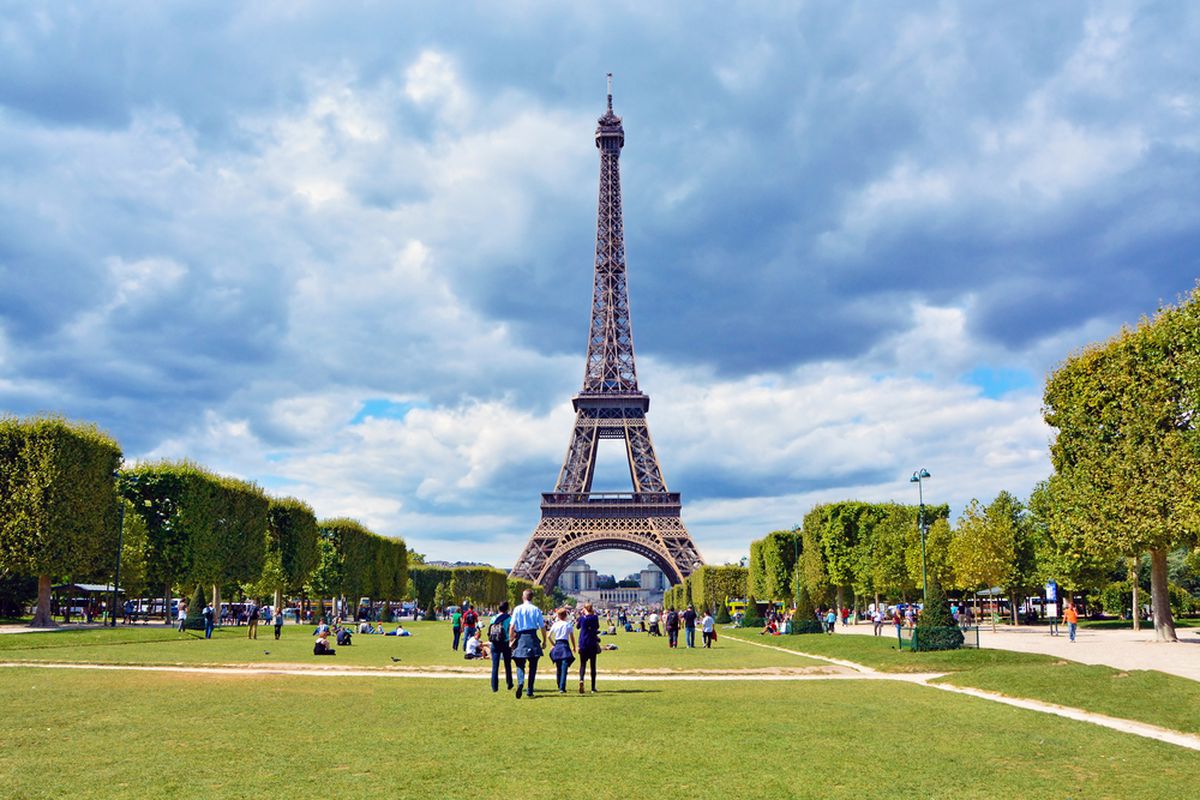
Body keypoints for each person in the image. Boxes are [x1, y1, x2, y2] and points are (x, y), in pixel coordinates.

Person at [510, 589, 547, 699]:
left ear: (523, 597)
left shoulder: (517, 609)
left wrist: (511, 640)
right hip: (532, 637)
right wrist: (544, 640)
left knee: (519, 664)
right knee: (533, 666)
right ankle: (530, 690)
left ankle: (521, 682)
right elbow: (542, 627)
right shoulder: (536, 610)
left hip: (521, 637)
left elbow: (512, 627)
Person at [549, 608, 576, 694]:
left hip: (557, 645)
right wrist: (574, 646)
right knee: (564, 668)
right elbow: (571, 637)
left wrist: (553, 645)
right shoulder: (568, 625)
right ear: (566, 615)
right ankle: (562, 687)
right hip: (565, 645)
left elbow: (549, 636)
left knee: (558, 667)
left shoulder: (555, 624)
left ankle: (558, 684)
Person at [488, 601, 513, 693]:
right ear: (507, 609)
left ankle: (494, 686)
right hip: (505, 642)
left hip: (495, 642)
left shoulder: (493, 618)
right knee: (507, 664)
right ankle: (509, 683)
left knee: (495, 666)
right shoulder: (509, 618)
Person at [576, 602, 600, 694]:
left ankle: (581, 679)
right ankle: (593, 687)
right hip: (592, 643)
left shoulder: (582, 618)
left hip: (583, 643)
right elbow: (597, 627)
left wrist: (581, 615)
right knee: (593, 666)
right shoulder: (595, 618)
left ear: (584, 609)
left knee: (582, 665)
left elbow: (577, 627)